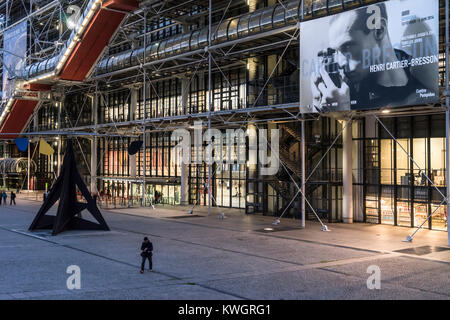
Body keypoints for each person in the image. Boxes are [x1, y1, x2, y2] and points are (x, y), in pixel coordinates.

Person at [309, 2, 438, 112]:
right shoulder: (347, 90)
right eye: (337, 51)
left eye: (347, 47)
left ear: (379, 30)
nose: (341, 63)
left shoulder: (423, 93)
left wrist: (343, 110)